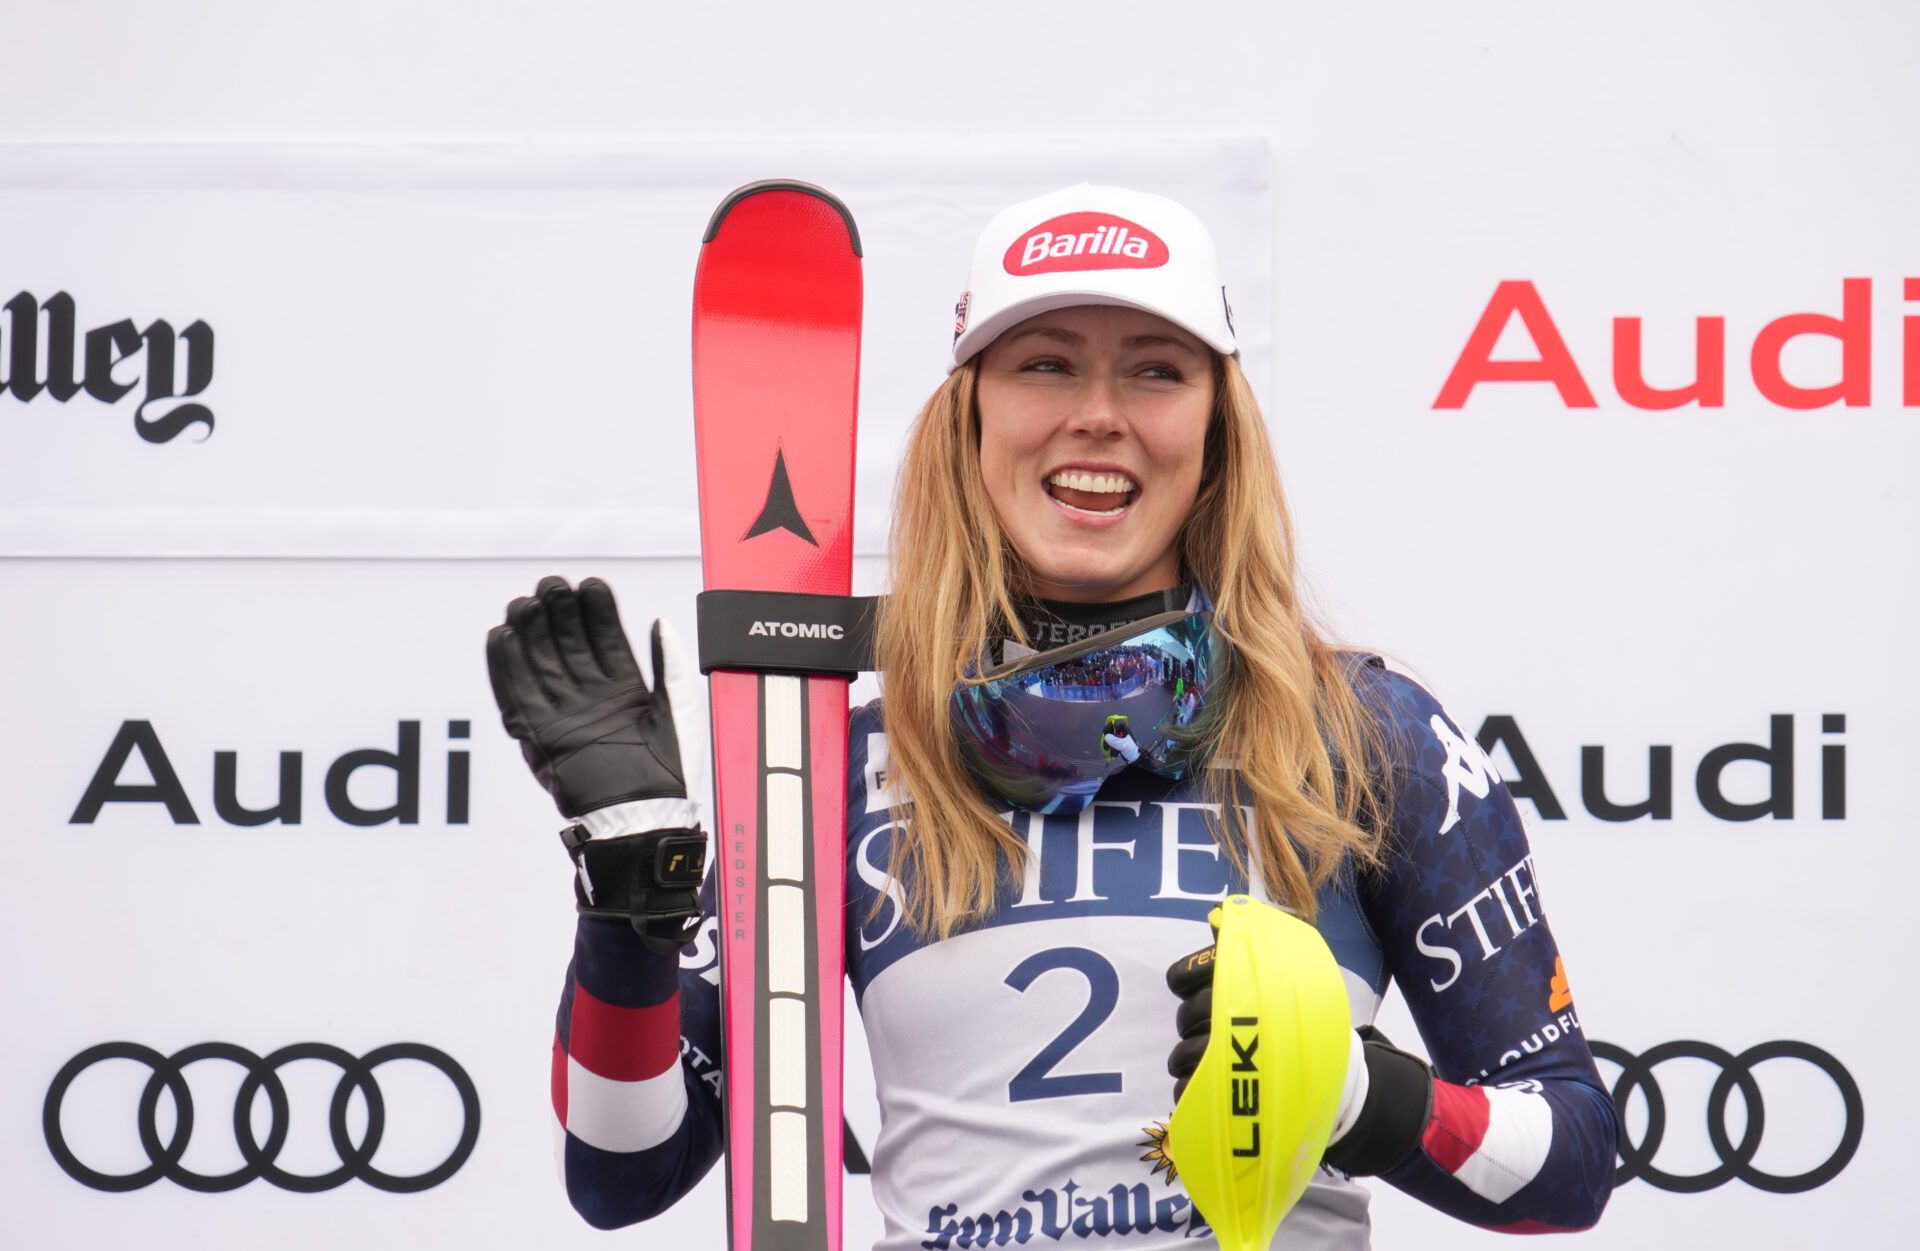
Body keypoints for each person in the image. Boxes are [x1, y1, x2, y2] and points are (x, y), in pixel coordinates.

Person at [489, 184, 1618, 1248]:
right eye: (1044, 365)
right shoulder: (836, 761)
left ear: (1219, 428)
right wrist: (631, 896)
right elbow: (621, 1163)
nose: (1097, 416)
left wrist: (1358, 1091)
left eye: (1157, 372)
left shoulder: (1362, 732)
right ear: (967, 419)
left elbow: (1570, 1156)